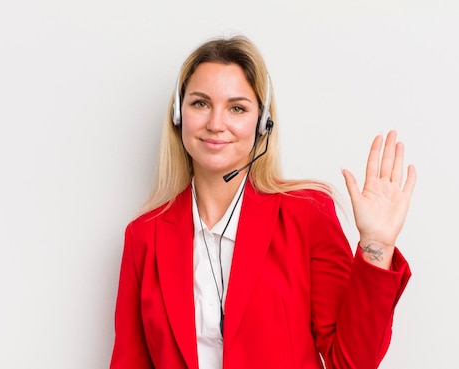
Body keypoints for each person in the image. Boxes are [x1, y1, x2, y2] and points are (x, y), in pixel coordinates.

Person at [110, 35, 416, 369]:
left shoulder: (306, 214)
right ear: (178, 115)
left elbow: (352, 362)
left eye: (237, 108)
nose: (215, 123)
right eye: (200, 103)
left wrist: (376, 246)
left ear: (262, 123)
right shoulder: (144, 237)